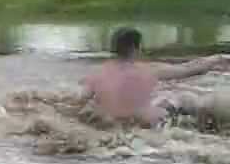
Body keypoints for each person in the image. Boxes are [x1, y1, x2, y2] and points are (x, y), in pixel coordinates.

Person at [81, 27, 230, 127]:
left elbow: (80, 100)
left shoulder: (96, 74)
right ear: (135, 47)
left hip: (113, 124)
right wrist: (218, 58)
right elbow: (189, 69)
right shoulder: (148, 70)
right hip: (148, 124)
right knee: (184, 98)